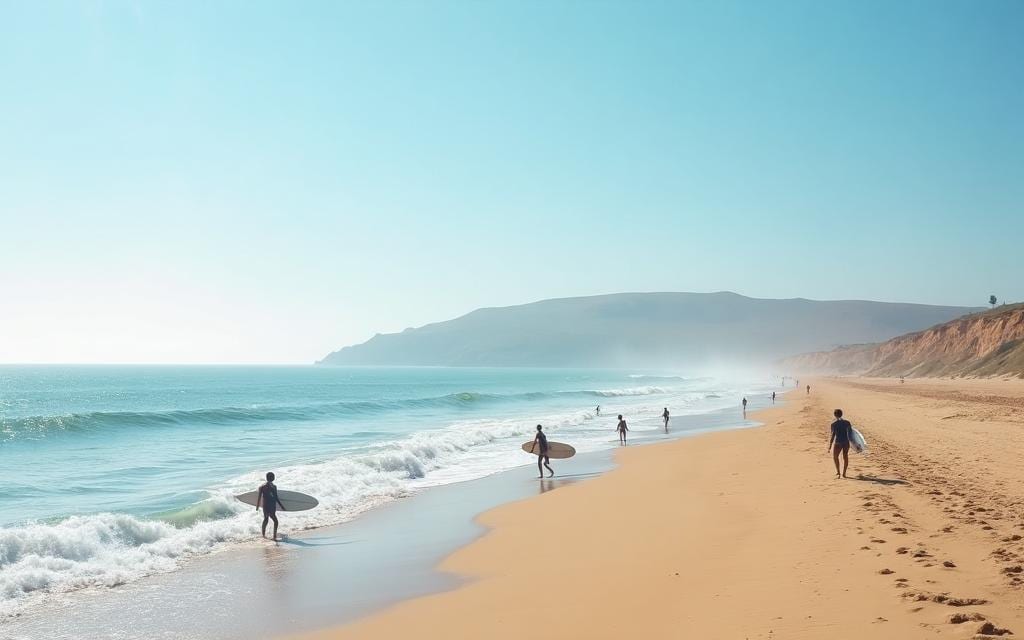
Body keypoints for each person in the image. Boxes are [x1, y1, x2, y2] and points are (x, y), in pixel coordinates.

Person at [256, 471, 286, 541]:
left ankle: (263, 535)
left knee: (266, 519)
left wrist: (257, 506)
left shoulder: (261, 487)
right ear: (272, 478)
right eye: (273, 476)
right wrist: (282, 506)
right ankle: (274, 536)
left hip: (265, 506)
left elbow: (259, 497)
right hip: (271, 505)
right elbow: (276, 497)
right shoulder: (274, 487)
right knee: (275, 521)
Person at [827, 409, 853, 478]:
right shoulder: (847, 422)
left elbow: (833, 435)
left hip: (838, 442)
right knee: (845, 456)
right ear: (842, 414)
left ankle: (838, 472)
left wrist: (830, 445)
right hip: (846, 442)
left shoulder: (833, 424)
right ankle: (844, 473)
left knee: (835, 457)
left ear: (835, 415)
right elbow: (851, 434)